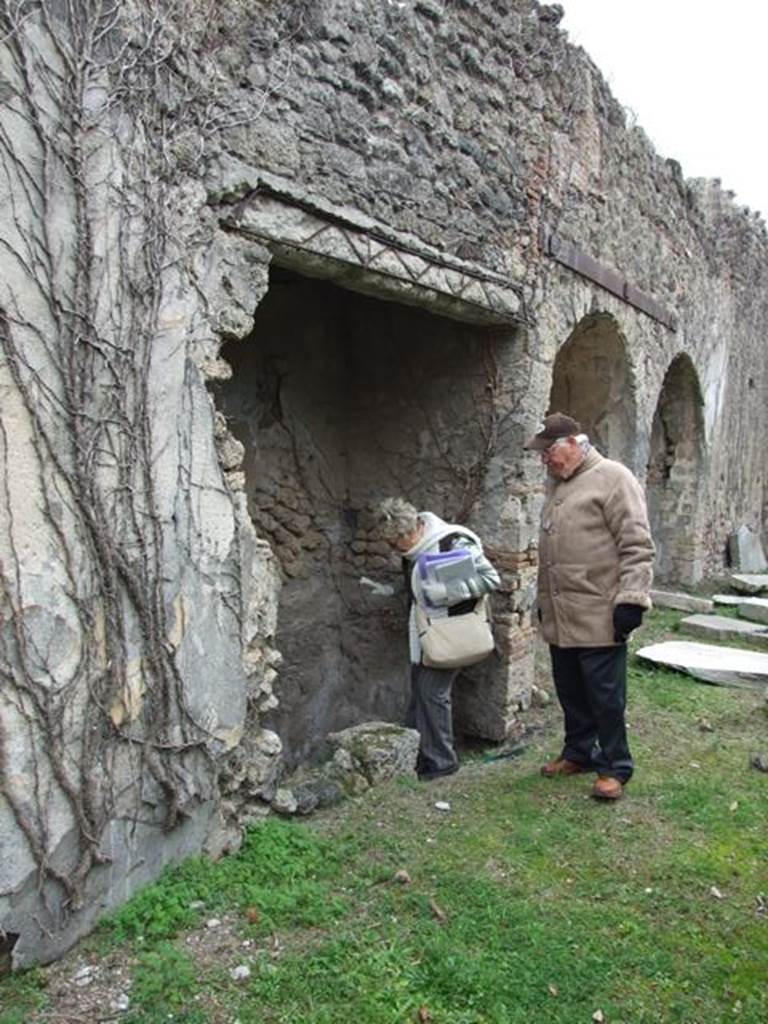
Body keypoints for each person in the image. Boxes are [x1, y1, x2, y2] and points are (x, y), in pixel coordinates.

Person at [524, 413, 655, 801]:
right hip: (563, 614)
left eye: (549, 451)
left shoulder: (614, 478)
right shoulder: (559, 484)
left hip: (600, 612)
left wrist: (631, 601)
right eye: (542, 454)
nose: (544, 460)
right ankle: (578, 752)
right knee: (571, 691)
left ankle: (615, 766)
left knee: (605, 697)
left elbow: (637, 546)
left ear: (574, 444)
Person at [367, 498, 500, 781]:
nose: (393, 550)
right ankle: (418, 755)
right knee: (421, 690)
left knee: (432, 693)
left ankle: (442, 762)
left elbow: (491, 579)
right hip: (428, 631)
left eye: (393, 543)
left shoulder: (455, 542)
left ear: (409, 533)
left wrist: (449, 593)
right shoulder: (414, 552)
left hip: (452, 632)